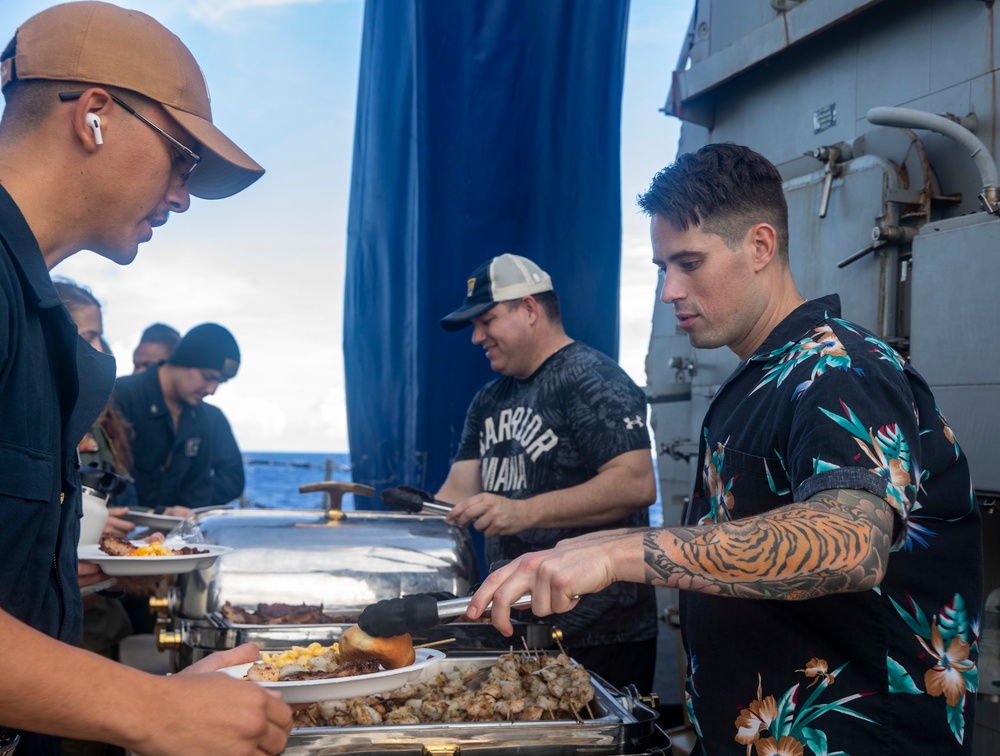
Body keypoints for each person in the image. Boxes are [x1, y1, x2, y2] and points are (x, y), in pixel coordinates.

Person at [468, 144, 984, 753]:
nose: (668, 291)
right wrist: (589, 545)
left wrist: (620, 555)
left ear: (760, 247)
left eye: (689, 263)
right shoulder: (758, 379)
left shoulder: (840, 369)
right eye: (663, 267)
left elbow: (850, 545)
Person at [0, 3, 290, 754]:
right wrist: (148, 709)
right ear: (94, 114)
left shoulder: (34, 314)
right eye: (180, 158)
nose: (182, 195)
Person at [436, 253, 659, 692]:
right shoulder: (489, 398)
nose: (477, 336)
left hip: (601, 632)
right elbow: (456, 493)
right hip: (515, 626)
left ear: (530, 308)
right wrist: (381, 537)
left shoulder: (595, 378)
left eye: (486, 320)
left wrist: (523, 512)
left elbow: (636, 482)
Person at [113, 322, 246, 512]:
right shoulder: (122, 395)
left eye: (220, 382)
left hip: (175, 534)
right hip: (120, 529)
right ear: (184, 359)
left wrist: (185, 512)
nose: (212, 390)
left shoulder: (203, 417)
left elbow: (206, 484)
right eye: (208, 377)